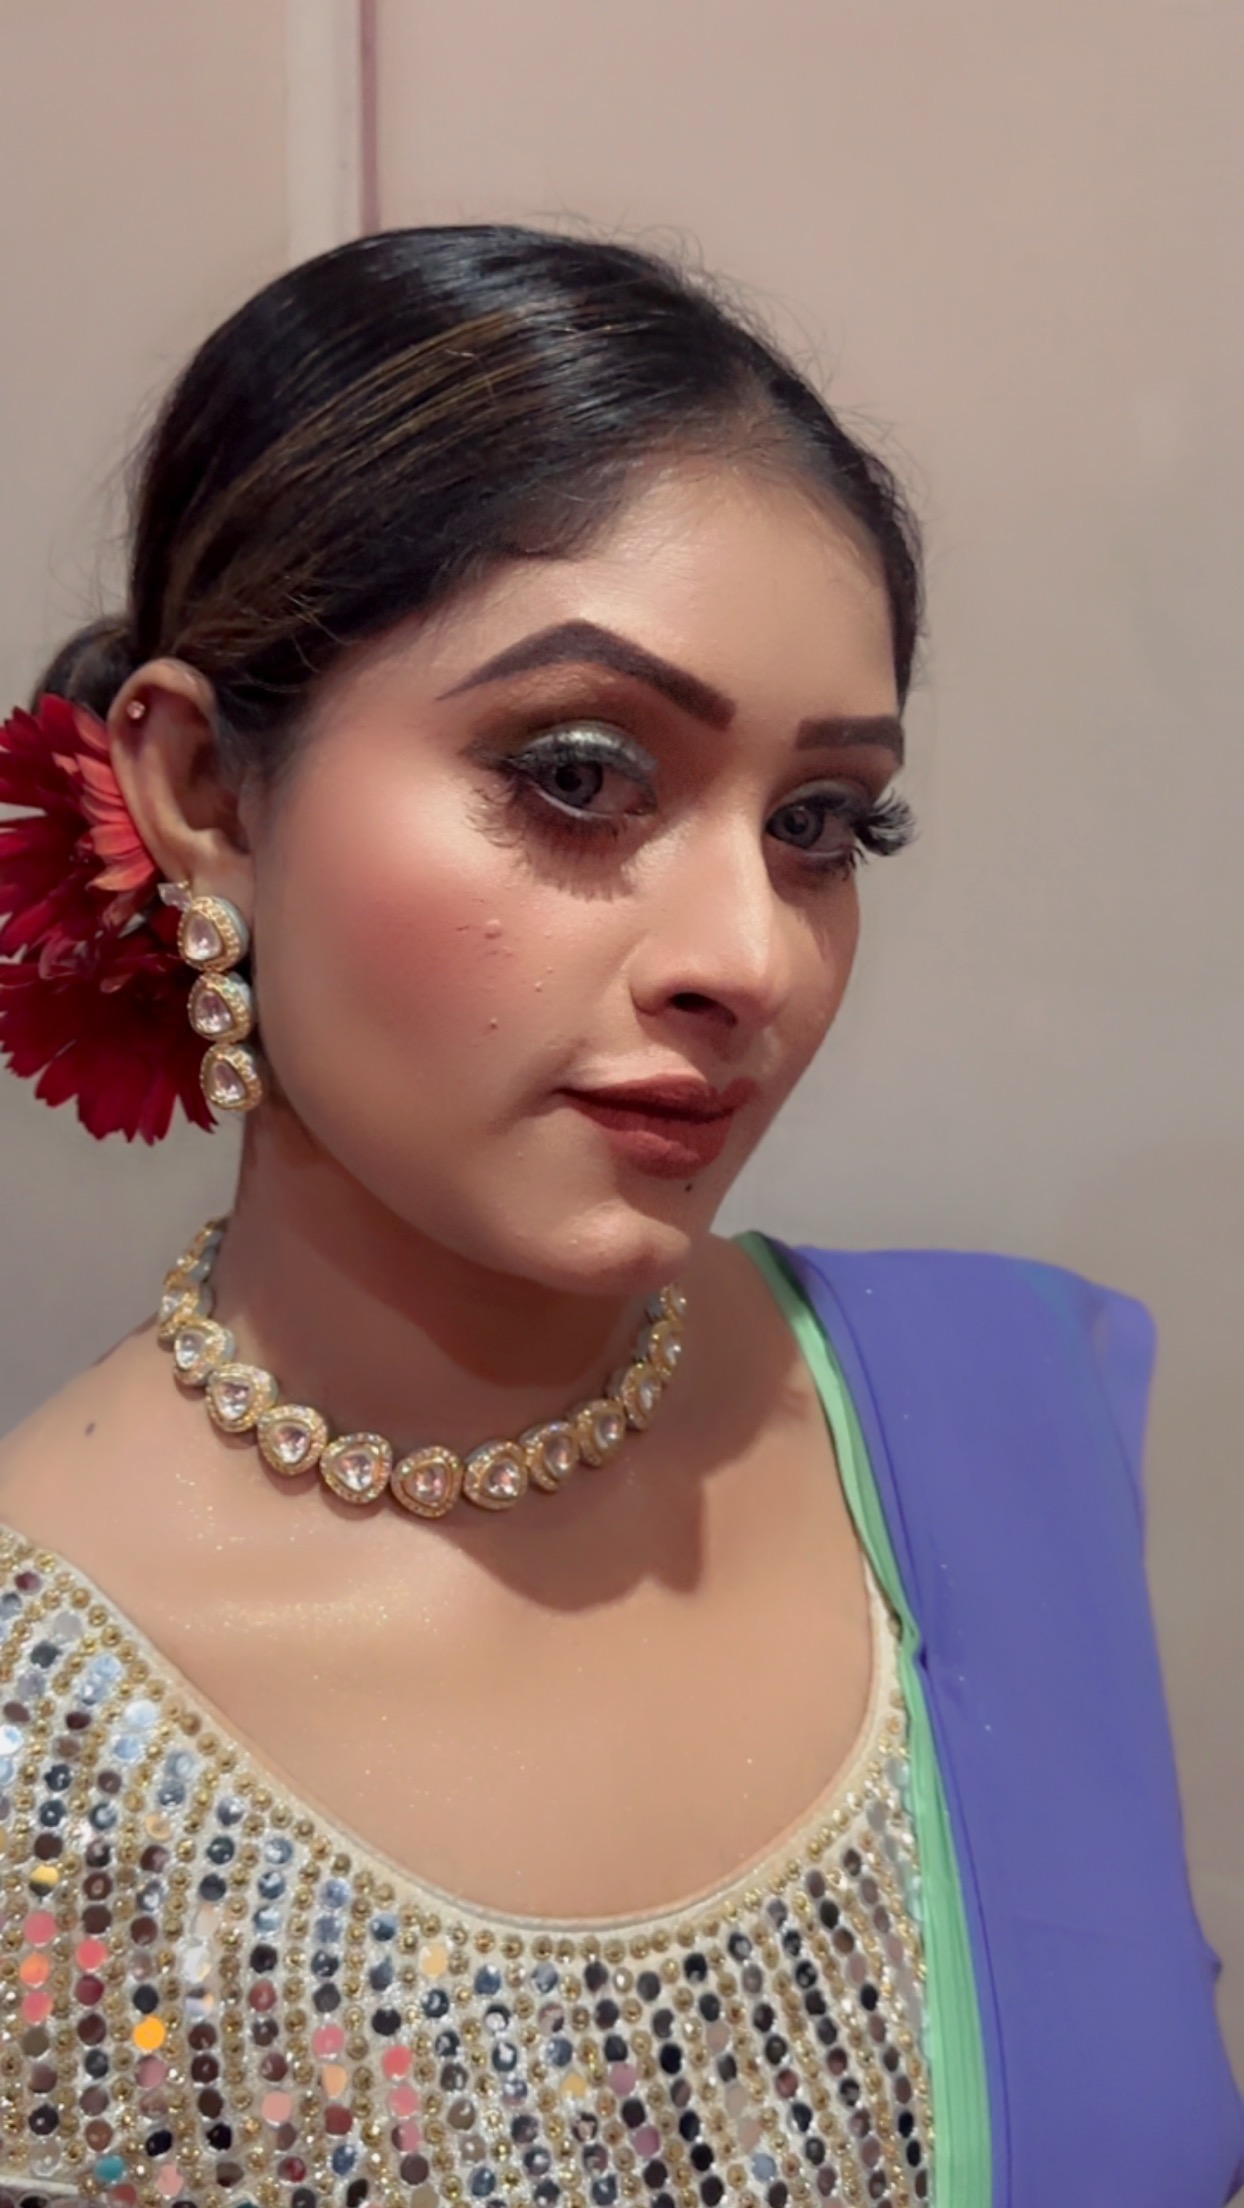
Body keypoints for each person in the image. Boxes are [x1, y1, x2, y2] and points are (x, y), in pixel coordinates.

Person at [0, 225, 1237, 2208]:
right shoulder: (36, 1738)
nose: (751, 955)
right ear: (203, 792)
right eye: (578, 776)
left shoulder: (996, 1432)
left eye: (819, 824)